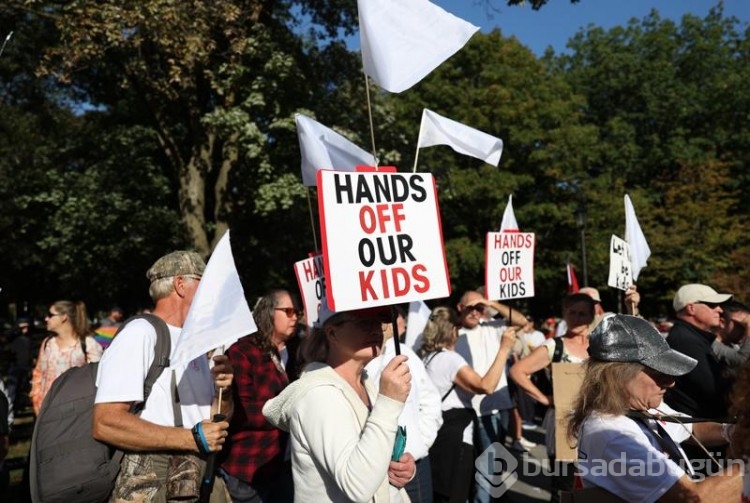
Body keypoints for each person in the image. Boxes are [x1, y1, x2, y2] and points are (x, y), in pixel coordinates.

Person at [93, 250, 234, 501]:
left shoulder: (198, 340)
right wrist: (191, 438)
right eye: (205, 282)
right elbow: (106, 423)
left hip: (199, 473)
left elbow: (212, 421)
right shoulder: (140, 334)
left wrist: (226, 390)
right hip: (154, 479)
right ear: (181, 285)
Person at [569, 314, 740, 502]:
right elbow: (693, 498)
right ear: (618, 375)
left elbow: (691, 430)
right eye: (659, 373)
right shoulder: (612, 434)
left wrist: (733, 432)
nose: (671, 382)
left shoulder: (638, 404)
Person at [263, 301, 413, 502]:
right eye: (363, 320)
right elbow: (358, 485)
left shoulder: (365, 383)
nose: (376, 327)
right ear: (332, 333)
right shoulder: (318, 395)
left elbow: (368, 457)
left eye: (381, 319)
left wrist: (396, 467)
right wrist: (388, 402)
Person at [419, 306, 516, 503]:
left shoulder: (428, 357)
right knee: (456, 493)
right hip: (455, 438)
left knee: (442, 492)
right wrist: (504, 348)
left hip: (439, 433)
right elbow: (486, 386)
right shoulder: (450, 359)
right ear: (452, 331)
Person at [509, 293, 596, 503]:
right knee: (564, 486)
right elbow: (518, 371)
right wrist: (545, 398)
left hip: (595, 424)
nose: (576, 318)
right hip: (563, 425)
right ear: (564, 315)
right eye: (572, 313)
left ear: (592, 316)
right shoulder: (554, 346)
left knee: (593, 485)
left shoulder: (599, 346)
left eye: (582, 313)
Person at [219, 289, 300, 503]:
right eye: (289, 311)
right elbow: (240, 411)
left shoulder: (289, 352)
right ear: (268, 312)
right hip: (247, 467)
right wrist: (288, 413)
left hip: (279, 465)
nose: (295, 317)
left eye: (297, 313)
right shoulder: (243, 351)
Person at [452, 289, 525, 503]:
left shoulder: (492, 328)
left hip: (493, 407)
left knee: (490, 465)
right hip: (464, 410)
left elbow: (521, 321)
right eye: (470, 307)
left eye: (479, 308)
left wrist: (489, 301)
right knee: (472, 465)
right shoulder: (451, 334)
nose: (475, 312)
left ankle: (489, 498)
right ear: (459, 308)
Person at [366, 310, 442, 503]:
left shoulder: (404, 353)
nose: (382, 324)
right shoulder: (351, 360)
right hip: (369, 470)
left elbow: (430, 400)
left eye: (386, 317)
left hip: (410, 466)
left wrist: (418, 445)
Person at [665, 283, 733, 420]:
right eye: (712, 305)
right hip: (700, 430)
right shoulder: (685, 340)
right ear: (691, 308)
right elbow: (714, 389)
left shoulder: (692, 337)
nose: (719, 310)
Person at [30, 300, 103, 415]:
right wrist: (36, 399)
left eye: (50, 315)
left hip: (73, 415)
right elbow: (38, 373)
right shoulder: (48, 343)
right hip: (45, 412)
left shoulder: (88, 345)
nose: (46, 319)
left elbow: (97, 382)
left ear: (64, 317)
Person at [711, 300, 750, 377]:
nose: (745, 330)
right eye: (740, 325)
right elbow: (740, 361)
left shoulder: (734, 347)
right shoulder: (711, 344)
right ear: (722, 322)